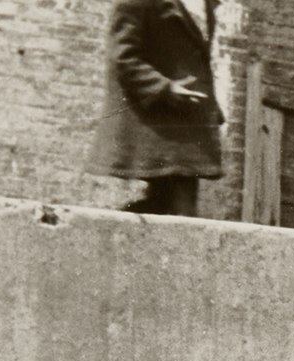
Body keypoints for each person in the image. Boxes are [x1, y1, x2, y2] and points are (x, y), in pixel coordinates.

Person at [88, 0, 224, 216]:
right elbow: (123, 58)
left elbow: (197, 60)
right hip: (158, 124)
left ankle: (113, 238)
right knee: (181, 213)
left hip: (186, 123)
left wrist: (211, 107)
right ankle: (108, 236)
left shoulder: (205, 3)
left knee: (165, 207)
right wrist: (164, 89)